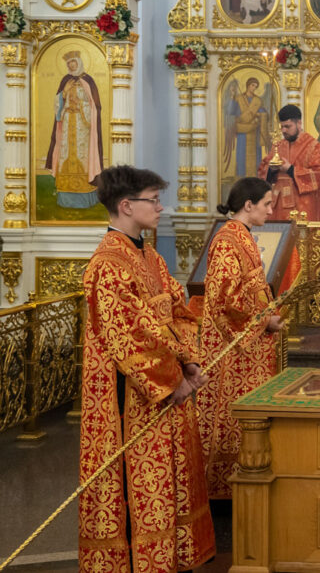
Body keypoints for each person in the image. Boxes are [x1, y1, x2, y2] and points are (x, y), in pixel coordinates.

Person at [79, 166, 215, 571]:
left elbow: (178, 311)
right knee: (131, 483)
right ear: (126, 206)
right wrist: (172, 381)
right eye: (153, 200)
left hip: (166, 389)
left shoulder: (148, 255)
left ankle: (166, 558)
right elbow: (128, 336)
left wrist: (189, 363)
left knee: (167, 479)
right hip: (131, 399)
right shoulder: (108, 264)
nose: (161, 207)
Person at [198, 177, 285, 500]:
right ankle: (227, 484)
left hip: (247, 342)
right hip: (233, 347)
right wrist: (264, 320)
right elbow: (225, 299)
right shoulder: (227, 240)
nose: (271, 210)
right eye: (266, 204)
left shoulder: (241, 236)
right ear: (248, 206)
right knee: (235, 411)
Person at [45, 49, 104, 209]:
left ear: (79, 64)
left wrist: (81, 107)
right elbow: (58, 102)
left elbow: (94, 106)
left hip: (83, 126)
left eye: (74, 64)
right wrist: (63, 98)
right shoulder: (66, 81)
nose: (72, 67)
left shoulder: (88, 81)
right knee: (65, 154)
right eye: (69, 65)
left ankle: (86, 196)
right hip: (67, 123)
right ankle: (65, 197)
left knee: (82, 155)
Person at [258, 104, 320, 222]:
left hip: (303, 205)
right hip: (278, 206)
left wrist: (290, 169)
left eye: (287, 126)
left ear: (299, 123)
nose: (284, 130)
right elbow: (262, 170)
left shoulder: (313, 146)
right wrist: (271, 169)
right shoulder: (278, 146)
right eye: (282, 127)